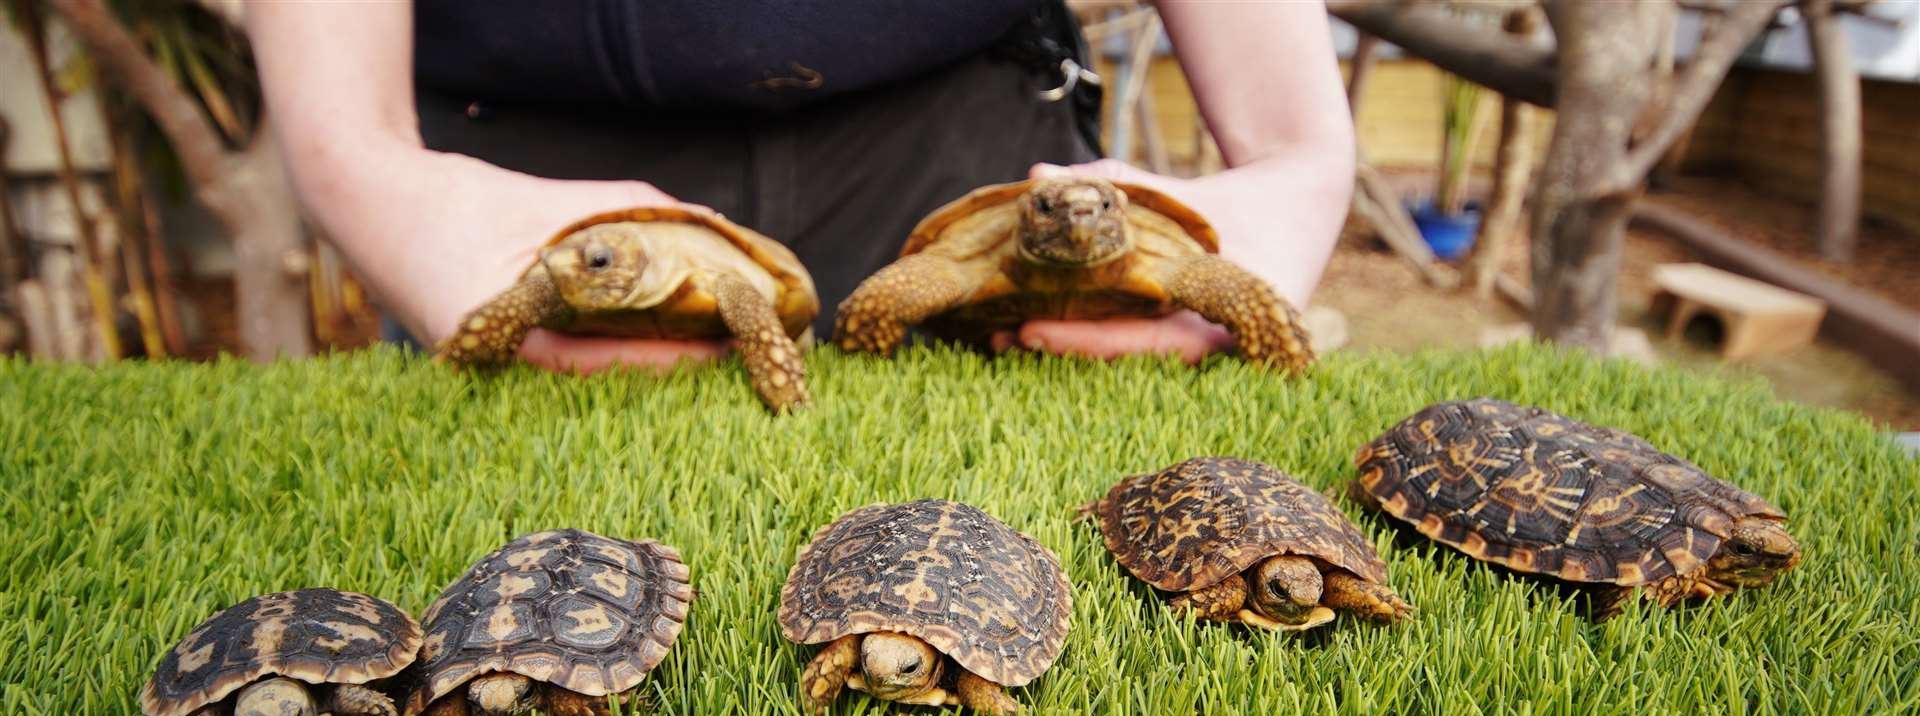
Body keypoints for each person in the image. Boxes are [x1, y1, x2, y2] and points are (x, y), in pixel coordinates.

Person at [246, 1, 1353, 373]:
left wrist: (1294, 158)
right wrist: (364, 164)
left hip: (966, 132)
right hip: (511, 172)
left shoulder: (1046, 210)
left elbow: (1269, 191)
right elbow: (349, 137)